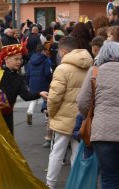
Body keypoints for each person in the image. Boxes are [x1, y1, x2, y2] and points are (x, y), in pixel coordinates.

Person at [77, 41, 119, 189]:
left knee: (109, 178)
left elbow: (83, 102)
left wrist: (94, 117)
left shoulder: (94, 73)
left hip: (103, 131)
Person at [45, 36, 93, 189]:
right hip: (82, 118)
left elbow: (54, 97)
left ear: (63, 51)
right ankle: (76, 184)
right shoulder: (90, 67)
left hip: (62, 118)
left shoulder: (62, 68)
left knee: (57, 152)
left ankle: (50, 184)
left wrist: (51, 114)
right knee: (77, 153)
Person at [0, 42, 48, 134]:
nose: (19, 62)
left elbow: (26, 96)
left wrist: (39, 93)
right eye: (16, 59)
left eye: (20, 59)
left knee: (8, 142)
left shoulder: (18, 78)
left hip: (7, 115)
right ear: (6, 59)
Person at [25, 43, 52, 126]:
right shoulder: (46, 60)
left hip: (33, 82)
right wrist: (50, 80)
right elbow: (48, 73)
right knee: (46, 99)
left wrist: (28, 82)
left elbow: (27, 73)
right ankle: (47, 118)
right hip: (44, 82)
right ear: (43, 51)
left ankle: (30, 111)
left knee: (34, 99)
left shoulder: (30, 60)